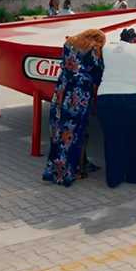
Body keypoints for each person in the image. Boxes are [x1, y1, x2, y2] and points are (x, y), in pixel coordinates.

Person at [43, 29, 106, 187]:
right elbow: (98, 72)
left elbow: (64, 64)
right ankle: (69, 172)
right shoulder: (94, 49)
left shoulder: (68, 43)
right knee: (73, 133)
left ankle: (53, 170)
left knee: (58, 131)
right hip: (78, 94)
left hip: (61, 90)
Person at [95, 28, 136, 188]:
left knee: (112, 139)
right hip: (131, 97)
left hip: (105, 96)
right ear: (134, 39)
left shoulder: (107, 48)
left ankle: (114, 178)